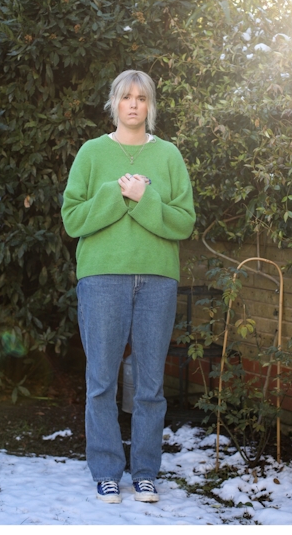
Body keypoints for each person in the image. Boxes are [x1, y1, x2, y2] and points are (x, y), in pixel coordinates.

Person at [61, 70, 196, 504]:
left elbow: (184, 222)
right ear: (114, 104)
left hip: (157, 279)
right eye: (126, 97)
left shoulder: (170, 156)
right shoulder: (92, 152)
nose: (134, 104)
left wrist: (145, 199)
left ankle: (145, 473)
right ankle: (105, 471)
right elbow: (73, 219)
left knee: (150, 384)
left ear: (150, 105)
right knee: (101, 379)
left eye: (141, 97)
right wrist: (119, 195)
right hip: (102, 278)